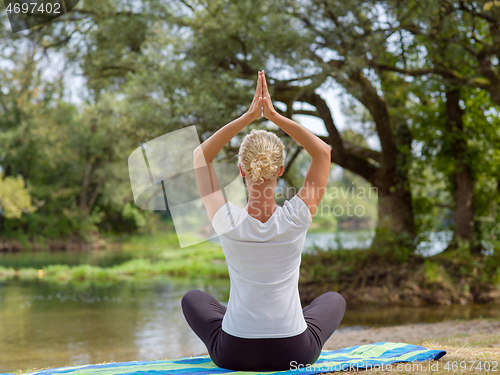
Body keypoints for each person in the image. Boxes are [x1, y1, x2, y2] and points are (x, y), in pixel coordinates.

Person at [182, 70, 346, 371]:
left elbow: (200, 157)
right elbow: (322, 152)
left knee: (193, 298)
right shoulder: (297, 216)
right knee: (334, 299)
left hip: (233, 354)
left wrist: (248, 117)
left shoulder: (226, 219)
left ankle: (242, 321)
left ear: (241, 171)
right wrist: (273, 115)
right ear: (280, 170)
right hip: (294, 352)